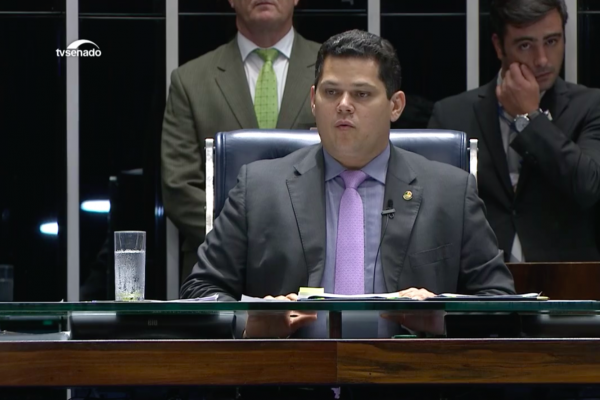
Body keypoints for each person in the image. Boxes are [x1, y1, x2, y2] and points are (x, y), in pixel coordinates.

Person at [181, 29, 515, 340]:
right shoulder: (258, 188)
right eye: (331, 92)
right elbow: (200, 292)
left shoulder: (450, 192)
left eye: (361, 94)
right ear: (314, 100)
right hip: (289, 372)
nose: (343, 105)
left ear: (395, 105)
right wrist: (249, 322)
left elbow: (501, 301)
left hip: (408, 372)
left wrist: (441, 318)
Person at [428, 0, 600, 262]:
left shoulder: (590, 106)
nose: (542, 59)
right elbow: (434, 209)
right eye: (525, 45)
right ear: (499, 46)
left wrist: (530, 118)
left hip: (566, 275)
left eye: (551, 41)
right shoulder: (451, 114)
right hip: (479, 275)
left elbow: (589, 186)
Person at [161, 0, 321, 281]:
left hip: (318, 264)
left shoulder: (334, 73)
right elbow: (179, 187)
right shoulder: (190, 80)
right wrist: (243, 238)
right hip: (218, 268)